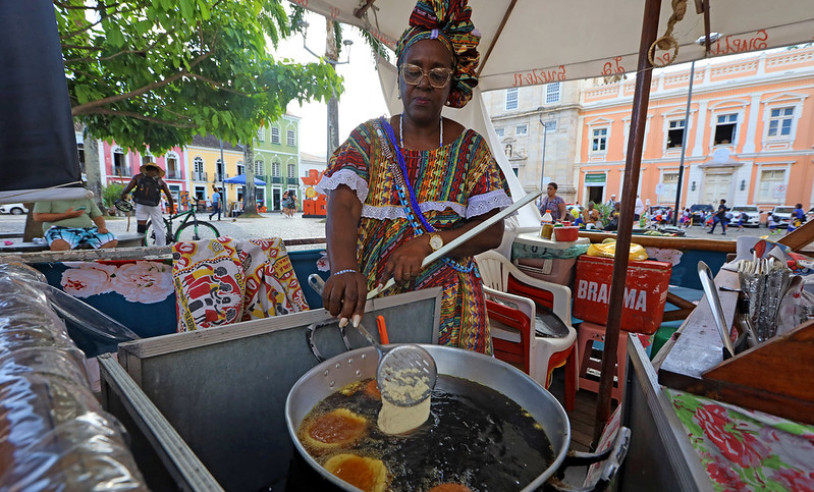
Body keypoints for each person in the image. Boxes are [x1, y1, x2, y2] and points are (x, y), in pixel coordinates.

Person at [315, 0, 511, 354]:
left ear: (452, 83)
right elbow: (342, 205)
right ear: (400, 75)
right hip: (376, 304)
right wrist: (344, 270)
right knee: (374, 394)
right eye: (413, 71)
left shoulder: (471, 149)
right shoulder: (368, 140)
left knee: (451, 396)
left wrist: (428, 243)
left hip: (453, 307)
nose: (424, 83)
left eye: (438, 74)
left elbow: (492, 229)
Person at [33, 193, 118, 251]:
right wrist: (66, 215)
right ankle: (66, 268)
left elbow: (97, 216)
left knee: (111, 239)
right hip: (58, 229)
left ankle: (95, 265)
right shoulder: (47, 195)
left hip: (87, 229)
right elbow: (38, 217)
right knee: (59, 244)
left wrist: (102, 227)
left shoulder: (85, 196)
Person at [120, 162, 174, 246]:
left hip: (141, 205)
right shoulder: (160, 181)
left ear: (146, 169)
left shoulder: (138, 177)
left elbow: (127, 190)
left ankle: (142, 248)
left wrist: (122, 198)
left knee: (141, 228)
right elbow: (169, 196)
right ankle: (161, 248)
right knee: (159, 228)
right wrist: (171, 208)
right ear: (157, 171)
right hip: (154, 206)